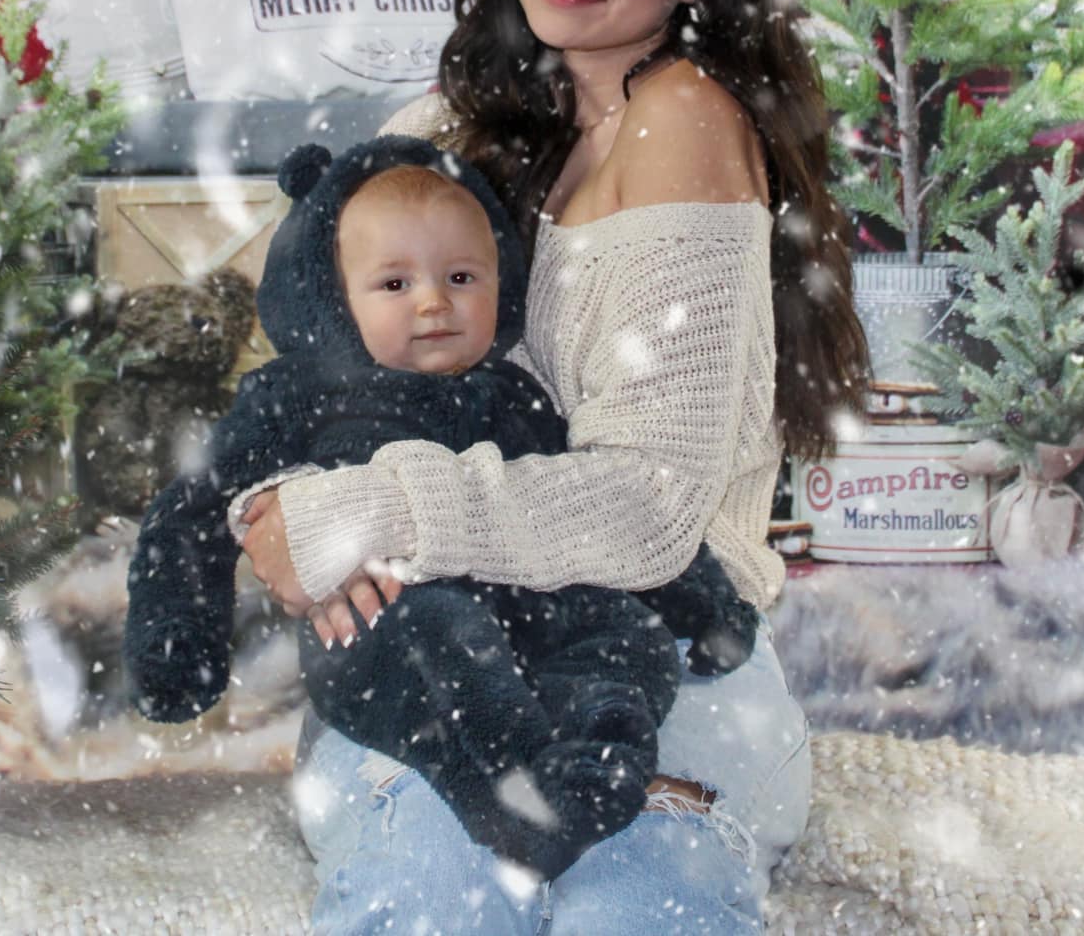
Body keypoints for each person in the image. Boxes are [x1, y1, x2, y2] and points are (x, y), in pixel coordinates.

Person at [240, 0, 869, 933]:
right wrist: (278, 498)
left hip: (671, 673)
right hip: (442, 660)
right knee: (435, 889)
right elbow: (306, 347)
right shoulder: (462, 110)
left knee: (634, 902)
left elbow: (645, 511)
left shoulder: (678, 113)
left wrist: (363, 513)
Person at [123, 135, 756, 877]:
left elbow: (600, 503)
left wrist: (707, 604)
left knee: (624, 634)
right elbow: (192, 509)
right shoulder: (297, 394)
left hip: (536, 612)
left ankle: (594, 760)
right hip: (388, 623)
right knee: (441, 636)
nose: (434, 303)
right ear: (332, 296)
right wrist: (177, 647)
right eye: (394, 285)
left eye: (462, 276)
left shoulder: (519, 394)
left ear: (502, 283)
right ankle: (515, 798)